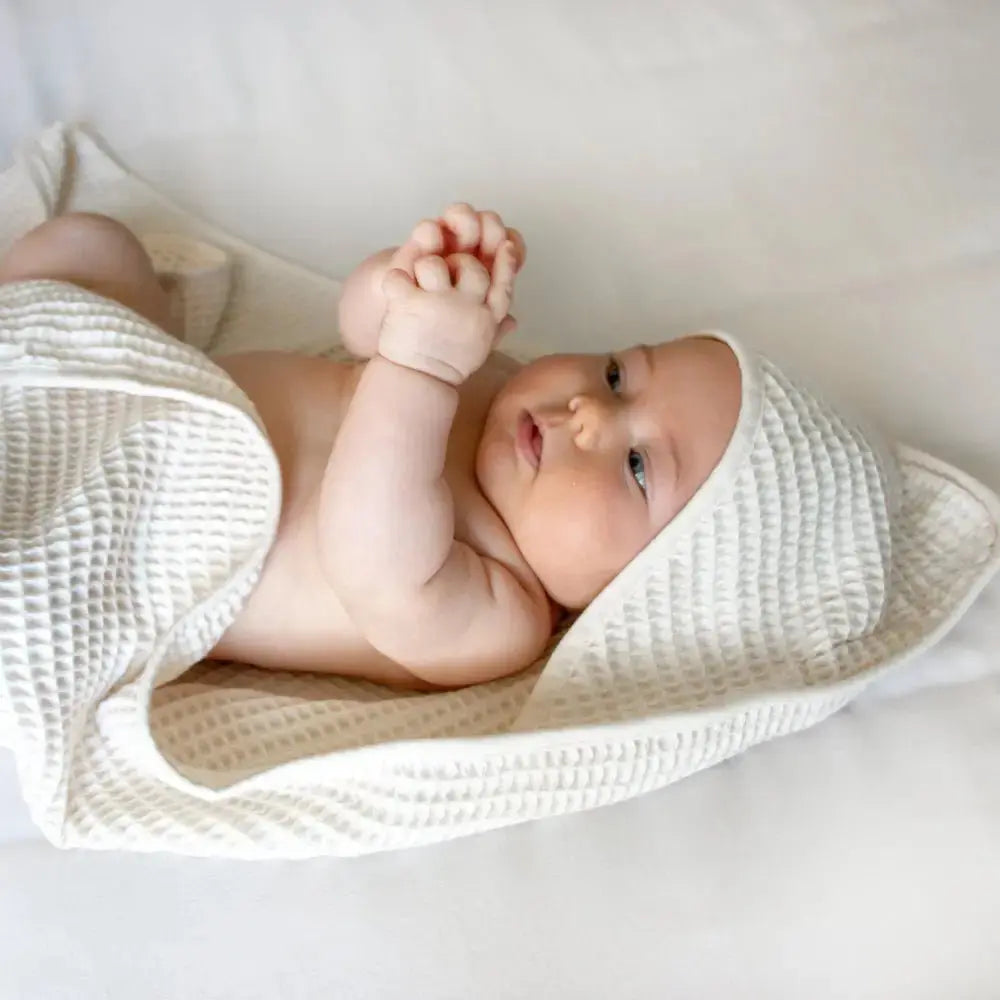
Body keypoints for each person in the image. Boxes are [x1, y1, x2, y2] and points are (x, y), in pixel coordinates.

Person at [0, 205, 740, 689]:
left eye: (638, 467)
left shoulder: (503, 616)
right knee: (92, 246)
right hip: (135, 391)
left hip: (116, 551)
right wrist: (418, 283)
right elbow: (359, 330)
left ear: (637, 597)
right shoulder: (495, 385)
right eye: (616, 376)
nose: (590, 414)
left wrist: (421, 365)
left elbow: (368, 555)